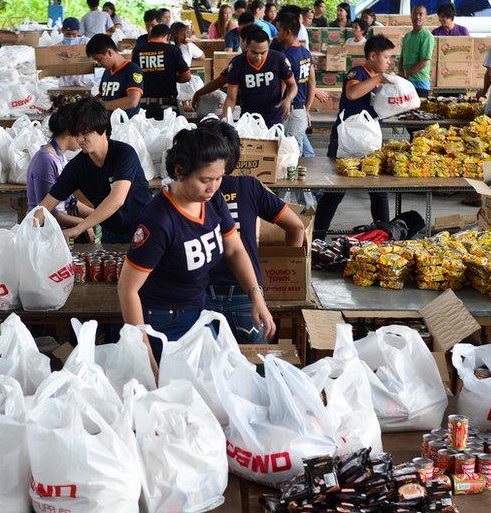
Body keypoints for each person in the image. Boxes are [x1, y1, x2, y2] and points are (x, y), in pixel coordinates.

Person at [118, 127, 276, 360]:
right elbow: (127, 289)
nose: (213, 186)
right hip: (163, 319)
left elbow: (234, 249)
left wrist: (256, 296)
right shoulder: (158, 221)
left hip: (198, 310)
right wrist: (145, 354)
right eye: (205, 180)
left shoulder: (211, 200)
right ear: (180, 172)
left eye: (219, 178)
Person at [200, 119, 304, 342]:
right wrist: (284, 271)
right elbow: (296, 227)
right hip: (246, 296)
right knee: (256, 370)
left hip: (199, 298)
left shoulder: (188, 193)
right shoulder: (248, 186)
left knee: (204, 371)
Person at [38, 97, 152, 243]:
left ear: (103, 129)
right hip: (112, 235)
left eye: (85, 132)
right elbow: (47, 204)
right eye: (76, 134)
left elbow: (117, 199)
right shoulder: (77, 167)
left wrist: (79, 228)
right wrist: (28, 227)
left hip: (145, 229)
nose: (80, 140)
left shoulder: (124, 154)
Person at [315, 35, 395, 235]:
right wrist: (377, 79)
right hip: (345, 141)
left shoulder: (379, 79)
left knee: (378, 192)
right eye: (386, 57)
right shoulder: (357, 72)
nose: (389, 61)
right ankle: (316, 236)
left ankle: (383, 237)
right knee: (335, 190)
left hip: (368, 142)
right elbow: (352, 93)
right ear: (373, 55)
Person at [27, 104, 91, 237]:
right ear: (69, 131)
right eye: (80, 133)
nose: (82, 139)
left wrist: (99, 215)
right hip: (43, 233)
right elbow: (48, 212)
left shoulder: (60, 156)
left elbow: (69, 202)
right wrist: (83, 224)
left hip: (57, 230)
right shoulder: (46, 160)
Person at [222, 27, 297, 128]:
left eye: (263, 53)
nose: (259, 57)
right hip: (248, 119)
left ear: (269, 46)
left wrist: (288, 99)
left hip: (274, 119)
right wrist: (225, 122)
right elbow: (231, 98)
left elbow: (292, 85)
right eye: (254, 52)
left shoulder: (279, 59)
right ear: (247, 46)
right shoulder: (237, 64)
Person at [275, 12, 320, 157]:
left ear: (287, 32)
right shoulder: (305, 53)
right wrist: (306, 109)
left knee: (291, 154)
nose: (276, 35)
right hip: (300, 110)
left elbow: (283, 86)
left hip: (289, 110)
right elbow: (312, 83)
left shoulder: (285, 56)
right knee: (300, 150)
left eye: (279, 31)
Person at [131, 24, 191, 118]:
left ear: (150, 35)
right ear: (168, 36)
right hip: (167, 106)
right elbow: (186, 76)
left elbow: (133, 76)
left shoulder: (137, 51)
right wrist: (172, 78)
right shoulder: (173, 50)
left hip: (143, 106)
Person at [87, 33, 144, 116]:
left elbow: (132, 101)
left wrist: (102, 106)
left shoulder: (133, 70)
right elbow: (102, 95)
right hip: (108, 124)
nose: (99, 63)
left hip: (124, 126)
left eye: (99, 60)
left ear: (109, 52)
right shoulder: (107, 72)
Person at [399, 4, 435, 97]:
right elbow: (402, 58)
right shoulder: (407, 36)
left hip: (420, 84)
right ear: (411, 16)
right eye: (415, 14)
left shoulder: (427, 36)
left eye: (421, 14)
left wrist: (405, 74)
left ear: (425, 17)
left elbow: (423, 62)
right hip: (406, 83)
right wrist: (400, 74)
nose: (417, 17)